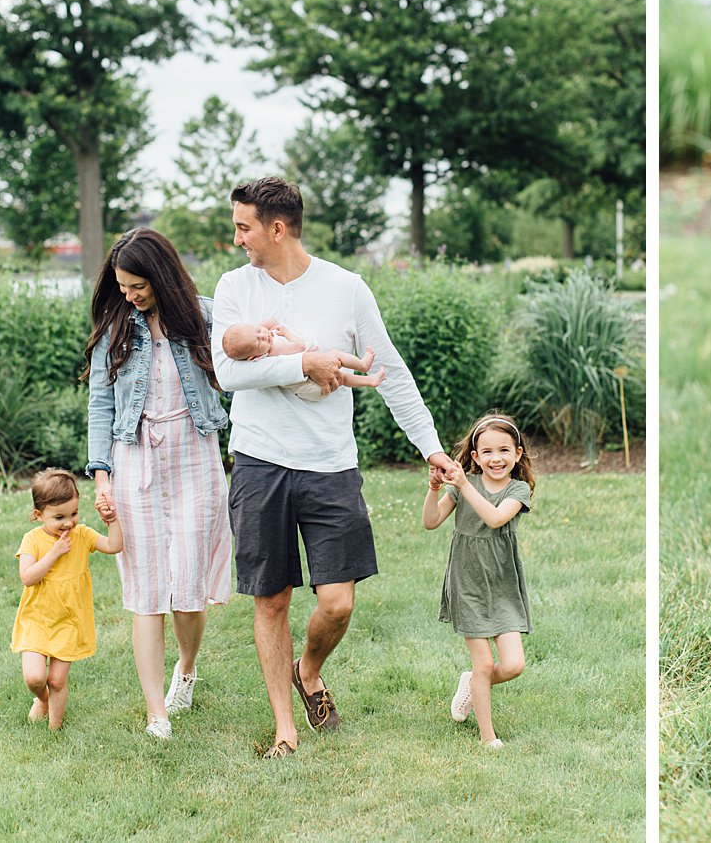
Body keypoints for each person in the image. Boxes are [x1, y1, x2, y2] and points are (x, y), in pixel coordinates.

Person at [212, 175, 463, 759]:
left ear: (277, 229)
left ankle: (309, 670)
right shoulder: (234, 288)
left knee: (338, 602)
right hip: (259, 461)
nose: (237, 239)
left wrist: (430, 447)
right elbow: (228, 374)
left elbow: (392, 373)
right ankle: (284, 727)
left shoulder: (346, 288)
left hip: (329, 465)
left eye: (243, 228)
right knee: (271, 599)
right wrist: (306, 361)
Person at [84, 227, 233, 740]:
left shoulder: (206, 317)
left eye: (137, 286)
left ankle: (186, 670)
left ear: (162, 276)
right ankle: (156, 714)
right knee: (147, 590)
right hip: (134, 460)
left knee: (188, 591)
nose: (129, 295)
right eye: (122, 286)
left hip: (195, 453)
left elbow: (252, 361)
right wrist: (101, 477)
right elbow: (101, 406)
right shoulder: (116, 328)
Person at [422, 413, 535, 748]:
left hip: (502, 584)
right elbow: (431, 521)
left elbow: (496, 518)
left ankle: (472, 683)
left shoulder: (518, 489)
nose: (495, 458)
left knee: (513, 665)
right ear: (475, 457)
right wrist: (434, 488)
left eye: (503, 450)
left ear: (517, 454)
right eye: (486, 452)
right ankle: (488, 738)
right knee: (484, 663)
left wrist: (464, 484)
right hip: (467, 582)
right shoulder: (461, 490)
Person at [12, 469, 124, 730]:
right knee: (34, 677)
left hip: (69, 620)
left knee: (58, 679)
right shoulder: (33, 540)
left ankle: (54, 730)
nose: (68, 523)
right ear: (38, 515)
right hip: (38, 619)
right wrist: (54, 553)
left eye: (73, 514)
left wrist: (112, 520)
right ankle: (42, 699)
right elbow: (27, 577)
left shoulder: (82, 535)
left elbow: (114, 546)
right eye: (59, 517)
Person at [221, 320, 386, 400]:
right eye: (259, 341)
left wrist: (259, 329)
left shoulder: (258, 360)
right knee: (336, 356)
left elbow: (268, 323)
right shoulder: (275, 350)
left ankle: (370, 381)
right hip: (312, 385)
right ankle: (363, 365)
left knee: (342, 378)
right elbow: (299, 347)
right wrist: (286, 332)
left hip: (310, 391)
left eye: (258, 331)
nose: (264, 336)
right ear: (254, 356)